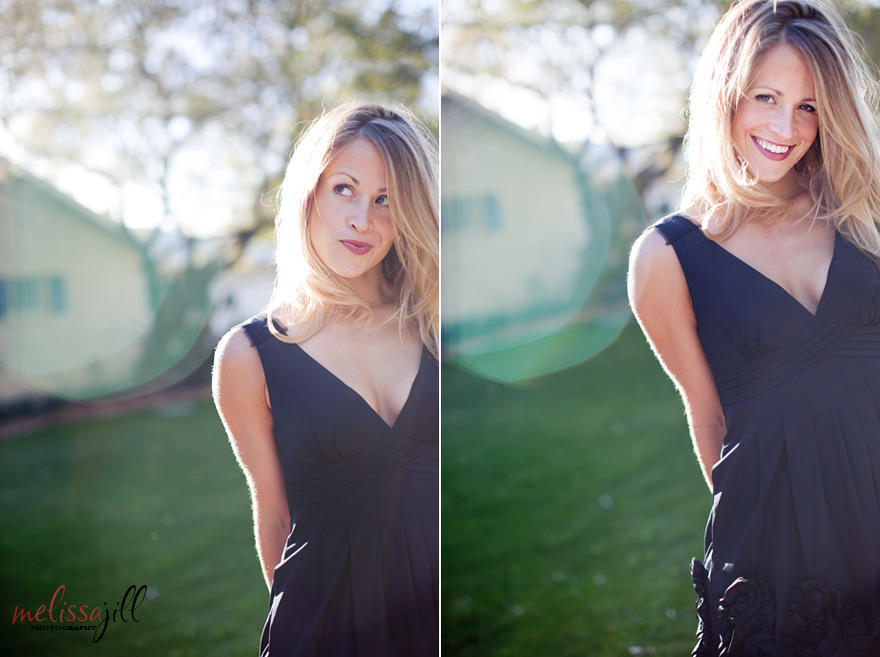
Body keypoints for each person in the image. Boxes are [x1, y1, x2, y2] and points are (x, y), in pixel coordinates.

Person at [628, 1, 880, 654]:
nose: (783, 125)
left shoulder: (862, 212)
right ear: (724, 95)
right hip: (776, 555)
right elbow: (708, 417)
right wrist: (777, 542)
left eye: (808, 105)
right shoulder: (666, 256)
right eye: (765, 96)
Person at [212, 103, 438, 657]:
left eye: (386, 200)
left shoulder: (432, 325)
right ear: (307, 194)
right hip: (322, 631)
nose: (363, 218)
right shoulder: (250, 355)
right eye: (345, 189)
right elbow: (275, 518)